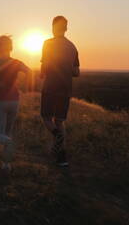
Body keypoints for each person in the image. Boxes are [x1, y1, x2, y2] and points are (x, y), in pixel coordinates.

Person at [0, 35, 32, 172]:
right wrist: (27, 87)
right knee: (7, 132)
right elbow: (30, 71)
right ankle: (6, 164)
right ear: (11, 48)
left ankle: (9, 147)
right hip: (14, 100)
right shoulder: (16, 62)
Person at [40, 16, 80, 167]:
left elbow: (44, 68)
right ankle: (62, 157)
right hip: (65, 88)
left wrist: (42, 73)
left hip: (50, 86)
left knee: (46, 117)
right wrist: (66, 68)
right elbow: (76, 72)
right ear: (66, 28)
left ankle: (56, 136)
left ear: (52, 27)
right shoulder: (72, 47)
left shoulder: (47, 44)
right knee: (60, 121)